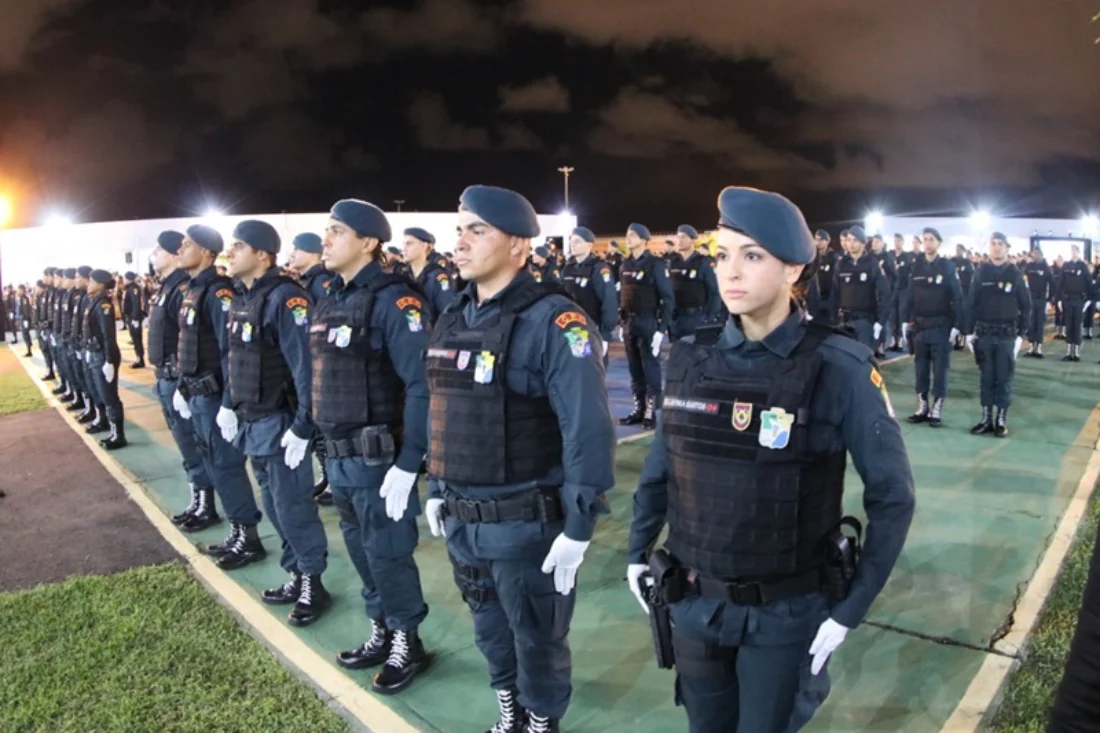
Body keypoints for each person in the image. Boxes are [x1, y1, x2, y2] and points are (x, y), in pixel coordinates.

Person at [627, 186, 915, 733]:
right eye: (722, 255)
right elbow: (662, 466)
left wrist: (851, 606)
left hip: (784, 614)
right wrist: (637, 548)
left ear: (792, 270)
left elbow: (893, 496)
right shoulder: (691, 357)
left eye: (752, 256)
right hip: (692, 603)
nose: (730, 271)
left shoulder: (840, 367)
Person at [422, 185, 615, 733]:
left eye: (477, 231)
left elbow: (587, 427)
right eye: (460, 230)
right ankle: (511, 710)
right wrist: (437, 487)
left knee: (537, 637)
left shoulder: (555, 322)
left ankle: (540, 720)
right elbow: (443, 407)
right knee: (490, 630)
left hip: (525, 524)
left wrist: (579, 524)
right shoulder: (454, 315)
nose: (460, 243)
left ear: (519, 247)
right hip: (463, 518)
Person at [311, 200, 432, 694]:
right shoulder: (329, 297)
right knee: (362, 551)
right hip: (339, 457)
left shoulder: (393, 300)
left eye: (336, 232)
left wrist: (410, 461)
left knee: (387, 552)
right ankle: (382, 628)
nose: (325, 240)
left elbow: (422, 384)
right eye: (326, 230)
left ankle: (408, 641)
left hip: (379, 459)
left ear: (367, 242)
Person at [224, 220, 331, 625]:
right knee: (273, 504)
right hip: (255, 422)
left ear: (262, 254)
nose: (230, 253)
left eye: (238, 246)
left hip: (283, 423)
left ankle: (312, 582)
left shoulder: (286, 299)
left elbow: (306, 369)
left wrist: (304, 427)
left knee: (293, 506)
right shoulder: (243, 297)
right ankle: (295, 572)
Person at [172, 224, 267, 569]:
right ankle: (236, 529)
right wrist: (184, 388)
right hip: (198, 396)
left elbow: (231, 352)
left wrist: (229, 402)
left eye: (187, 245)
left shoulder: (218, 293)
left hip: (215, 398)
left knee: (227, 466)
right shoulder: (191, 290)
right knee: (213, 464)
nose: (180, 250)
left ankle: (249, 536)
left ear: (207, 254)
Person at [146, 230, 219, 528]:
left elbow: (190, 339)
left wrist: (182, 382)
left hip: (179, 379)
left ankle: (206, 504)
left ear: (174, 256)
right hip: (165, 377)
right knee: (185, 445)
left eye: (158, 250)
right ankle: (198, 499)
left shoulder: (181, 289)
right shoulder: (169, 288)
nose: (154, 254)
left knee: (194, 444)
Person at [962, 233, 1031, 437]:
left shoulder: (1016, 274)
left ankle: (1001, 419)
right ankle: (986, 418)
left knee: (1004, 378)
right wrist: (968, 332)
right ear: (989, 247)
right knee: (986, 378)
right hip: (984, 334)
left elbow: (1026, 307)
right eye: (993, 244)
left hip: (1006, 335)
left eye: (1000, 244)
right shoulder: (981, 273)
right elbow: (971, 303)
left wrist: (1021, 335)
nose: (996, 247)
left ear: (1007, 248)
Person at [286, 231, 336, 506]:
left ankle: (331, 479)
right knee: (317, 432)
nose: (292, 253)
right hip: (310, 363)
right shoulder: (307, 282)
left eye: (298, 249)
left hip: (319, 364)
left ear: (314, 253)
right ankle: (327, 477)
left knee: (321, 430)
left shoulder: (321, 283)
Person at [901, 228, 964, 426]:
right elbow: (909, 295)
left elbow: (958, 297)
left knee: (940, 370)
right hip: (920, 326)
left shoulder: (947, 267)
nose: (927, 243)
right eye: (925, 240)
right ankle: (922, 406)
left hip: (941, 326)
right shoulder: (917, 267)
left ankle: (937, 407)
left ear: (939, 243)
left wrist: (957, 326)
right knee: (920, 369)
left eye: (931, 240)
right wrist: (904, 320)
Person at [618, 222, 675, 428]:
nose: (628, 238)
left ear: (643, 239)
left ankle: (651, 412)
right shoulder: (625, 264)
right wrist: (621, 322)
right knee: (634, 369)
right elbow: (622, 295)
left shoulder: (655, 264)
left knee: (650, 368)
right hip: (629, 323)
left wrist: (661, 329)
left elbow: (668, 299)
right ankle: (638, 409)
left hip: (648, 321)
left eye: (632, 235)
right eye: (627, 234)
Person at [81, 270, 127, 449]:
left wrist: (109, 360)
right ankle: (106, 425)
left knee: (109, 397)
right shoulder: (94, 302)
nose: (88, 284)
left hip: (103, 356)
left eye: (91, 281)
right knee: (98, 392)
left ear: (100, 285)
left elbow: (108, 336)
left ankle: (118, 435)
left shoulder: (103, 305)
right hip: (94, 353)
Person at [559, 226, 619, 363]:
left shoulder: (599, 269)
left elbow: (609, 301)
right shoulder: (568, 269)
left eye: (577, 241)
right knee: (573, 373)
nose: (572, 244)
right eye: (571, 241)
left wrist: (605, 335)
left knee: (591, 375)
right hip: (571, 329)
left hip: (591, 329)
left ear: (589, 245)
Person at [829, 226, 889, 350]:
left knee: (864, 362)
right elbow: (835, 293)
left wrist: (880, 321)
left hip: (865, 320)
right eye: (849, 240)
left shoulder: (872, 264)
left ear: (863, 243)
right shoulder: (841, 264)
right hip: (844, 321)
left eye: (855, 240)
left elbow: (884, 293)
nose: (851, 244)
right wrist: (832, 318)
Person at [668, 224, 723, 340]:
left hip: (696, 318)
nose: (679, 240)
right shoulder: (673, 262)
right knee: (677, 355)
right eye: (678, 237)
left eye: (683, 237)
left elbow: (714, 292)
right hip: (676, 318)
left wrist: (709, 318)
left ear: (693, 239)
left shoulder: (703, 262)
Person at [402, 227, 456, 324]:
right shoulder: (403, 275)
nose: (404, 248)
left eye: (409, 244)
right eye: (404, 244)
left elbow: (448, 313)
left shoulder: (438, 276)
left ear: (424, 246)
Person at [1021, 248, 1053, 358]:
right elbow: (1023, 280)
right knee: (1031, 323)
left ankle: (1038, 347)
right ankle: (1031, 347)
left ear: (1041, 254)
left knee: (1039, 323)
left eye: (1036, 254)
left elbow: (1052, 283)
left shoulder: (1046, 267)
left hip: (1041, 298)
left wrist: (1050, 300)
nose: (1034, 256)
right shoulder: (1029, 267)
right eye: (1033, 254)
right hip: (1030, 298)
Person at [121, 271, 146, 368]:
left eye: (124, 278)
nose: (123, 280)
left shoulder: (134, 288)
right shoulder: (129, 288)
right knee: (134, 338)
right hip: (130, 316)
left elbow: (136, 304)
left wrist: (135, 318)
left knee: (137, 339)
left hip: (134, 317)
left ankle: (140, 360)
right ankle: (138, 357)